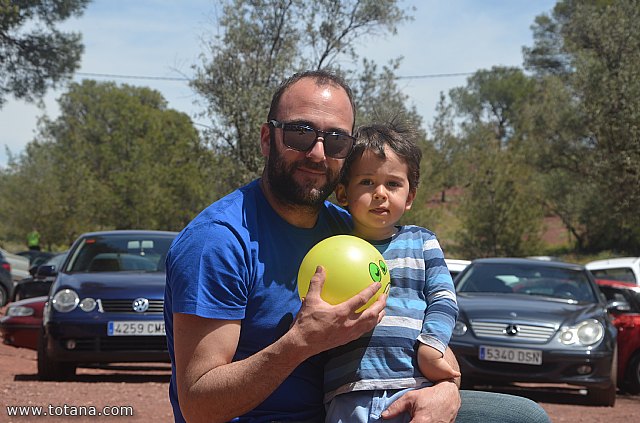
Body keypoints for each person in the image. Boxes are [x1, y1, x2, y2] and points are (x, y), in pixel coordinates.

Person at [164, 69, 551, 423]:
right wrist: (299, 344)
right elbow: (198, 403)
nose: (317, 153)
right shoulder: (217, 241)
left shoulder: (349, 228)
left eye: (336, 140)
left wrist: (445, 390)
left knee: (523, 418)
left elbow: (417, 320)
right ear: (268, 139)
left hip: (362, 406)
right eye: (300, 133)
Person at [324, 119, 460, 422]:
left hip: (413, 388)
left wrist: (432, 345)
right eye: (367, 182)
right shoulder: (333, 250)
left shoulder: (422, 242)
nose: (380, 193)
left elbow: (444, 299)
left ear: (409, 197)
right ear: (343, 194)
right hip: (348, 394)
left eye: (393, 184)